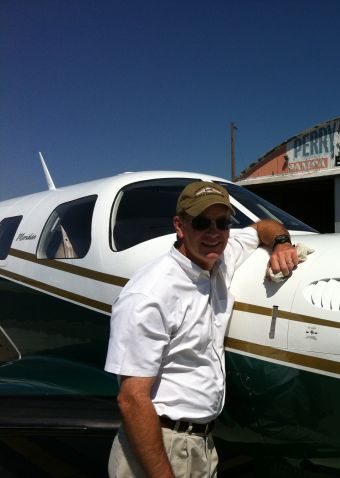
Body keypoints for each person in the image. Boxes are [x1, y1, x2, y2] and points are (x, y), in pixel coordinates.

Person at [104, 180, 299, 478]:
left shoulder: (221, 256)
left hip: (202, 444)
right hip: (160, 445)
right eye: (201, 222)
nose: (213, 233)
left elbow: (263, 226)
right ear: (179, 226)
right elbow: (132, 399)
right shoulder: (149, 295)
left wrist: (282, 242)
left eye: (222, 222)